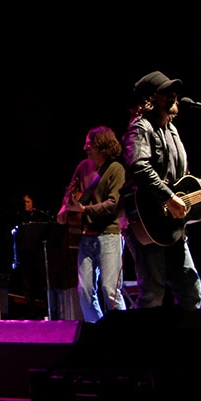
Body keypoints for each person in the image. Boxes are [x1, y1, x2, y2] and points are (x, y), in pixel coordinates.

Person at [121, 71, 201, 309]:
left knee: (191, 291)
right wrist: (168, 198)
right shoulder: (140, 127)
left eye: (174, 92)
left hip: (171, 227)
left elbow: (185, 183)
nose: (173, 96)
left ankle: (185, 334)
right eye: (166, 92)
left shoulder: (172, 131)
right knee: (153, 294)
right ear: (150, 99)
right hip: (147, 220)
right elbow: (138, 166)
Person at [59, 125, 127, 322]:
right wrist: (64, 209)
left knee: (110, 290)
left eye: (90, 144)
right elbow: (70, 191)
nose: (85, 148)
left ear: (102, 146)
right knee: (85, 292)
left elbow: (113, 204)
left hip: (109, 235)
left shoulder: (116, 169)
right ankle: (99, 331)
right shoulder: (83, 167)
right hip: (86, 236)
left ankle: (125, 332)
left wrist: (84, 209)